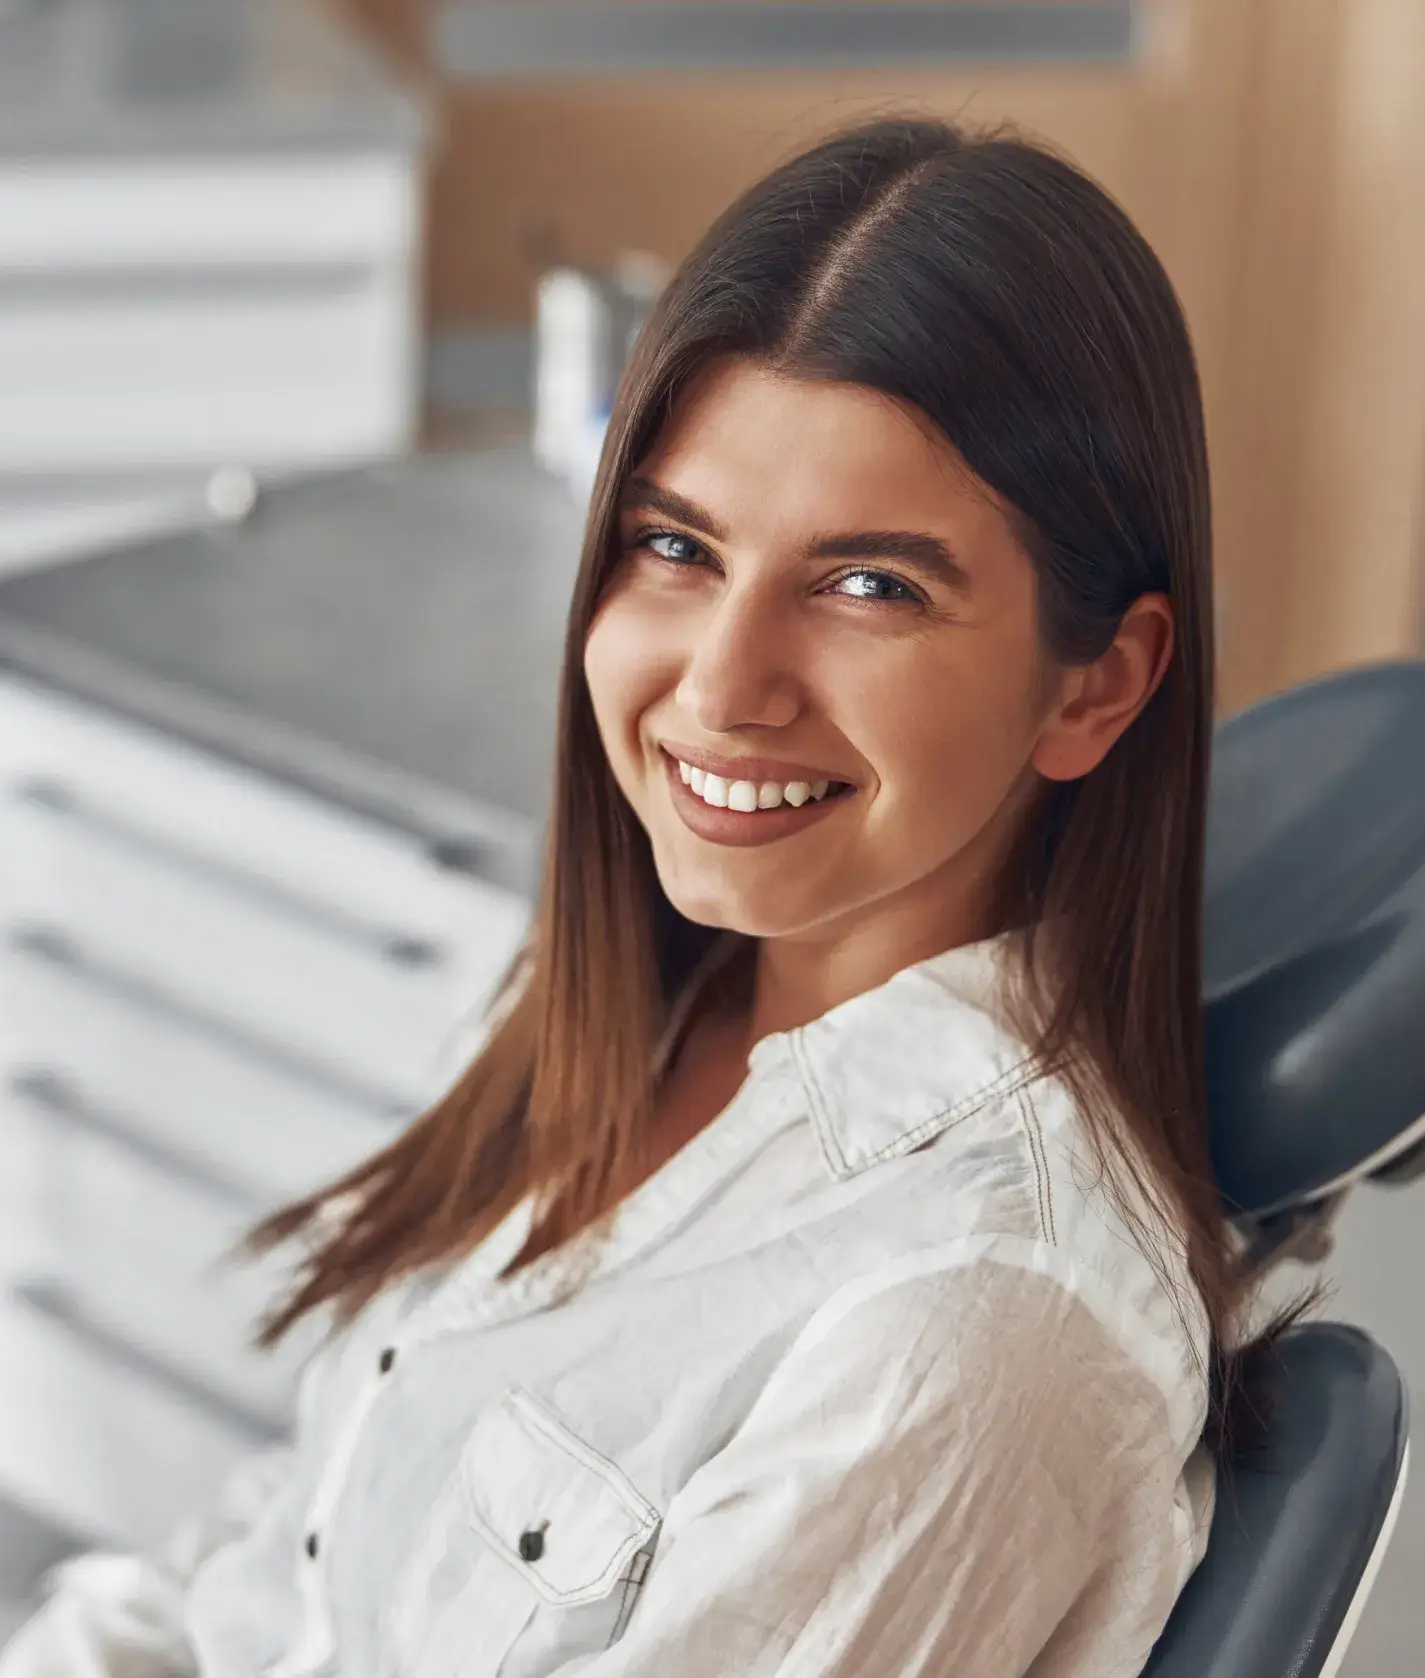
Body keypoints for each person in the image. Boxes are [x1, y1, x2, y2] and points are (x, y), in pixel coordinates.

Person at [1, 116, 1267, 1678]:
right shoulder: (650, 999)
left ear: (1098, 683)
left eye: (870, 584)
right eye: (675, 545)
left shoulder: (973, 1327)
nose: (720, 689)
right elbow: (299, 1545)